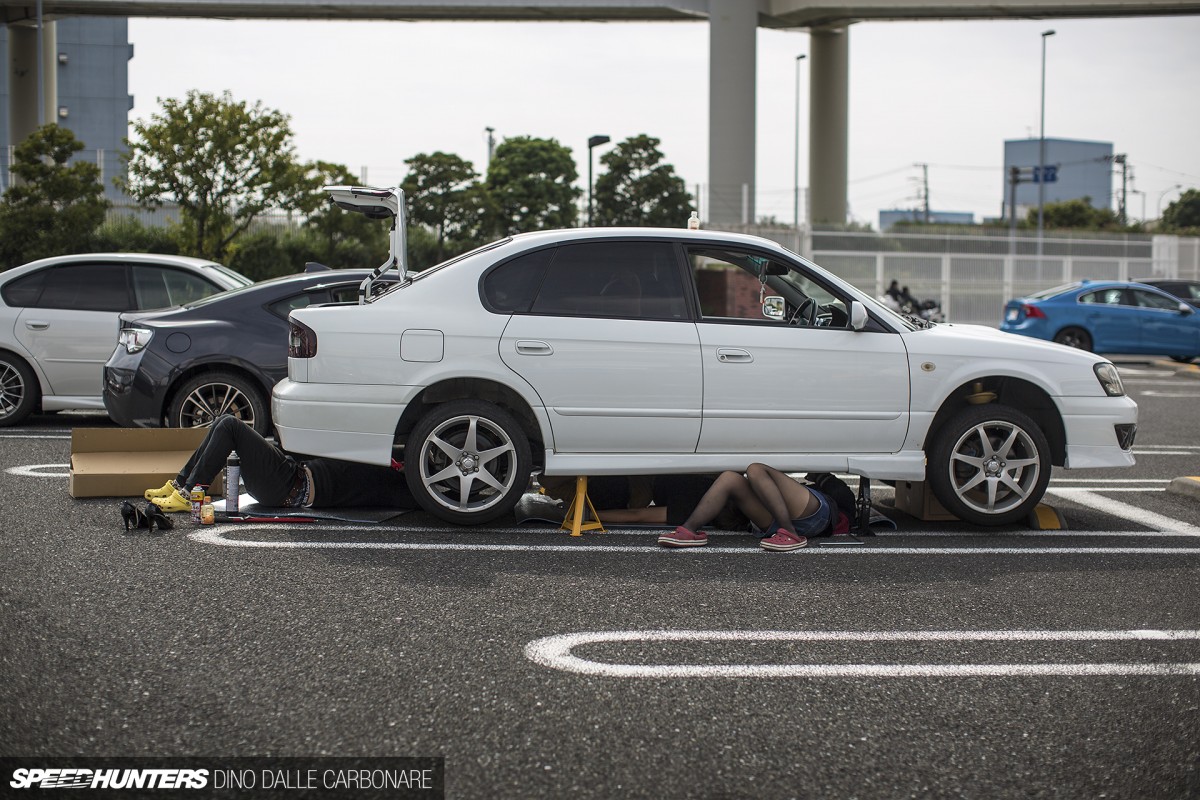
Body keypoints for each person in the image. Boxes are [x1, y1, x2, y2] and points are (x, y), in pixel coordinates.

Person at [144, 415, 412, 512]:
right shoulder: (376, 456)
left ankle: (190, 494)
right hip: (289, 474)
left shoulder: (392, 481)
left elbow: (418, 498)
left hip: (288, 486)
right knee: (222, 422)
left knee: (230, 426)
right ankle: (180, 484)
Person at [656, 463, 835, 552]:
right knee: (737, 474)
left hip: (807, 516)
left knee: (751, 470)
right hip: (777, 525)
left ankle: (790, 534)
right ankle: (689, 530)